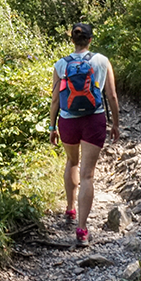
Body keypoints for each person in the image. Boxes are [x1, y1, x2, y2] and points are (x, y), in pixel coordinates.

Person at [49, 22, 120, 246]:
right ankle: (81, 229)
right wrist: (115, 124)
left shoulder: (60, 65)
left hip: (68, 120)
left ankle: (69, 209)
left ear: (72, 40)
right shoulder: (102, 61)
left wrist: (52, 127)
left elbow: (54, 100)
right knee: (88, 174)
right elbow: (112, 96)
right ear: (90, 40)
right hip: (94, 119)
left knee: (72, 162)